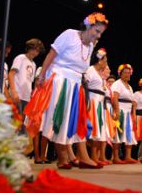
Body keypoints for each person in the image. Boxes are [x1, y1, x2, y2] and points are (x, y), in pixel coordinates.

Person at [32, 12, 109, 169]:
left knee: (76, 119)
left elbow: (83, 67)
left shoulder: (91, 46)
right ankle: (63, 158)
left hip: (76, 83)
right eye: (97, 31)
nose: (98, 36)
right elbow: (51, 54)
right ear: (88, 26)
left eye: (101, 33)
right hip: (60, 79)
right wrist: (41, 75)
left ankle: (77, 158)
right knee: (60, 118)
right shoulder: (69, 34)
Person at [8, 38, 45, 132]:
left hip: (26, 98)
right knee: (13, 124)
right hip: (17, 95)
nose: (35, 52)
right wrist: (13, 91)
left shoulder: (34, 64)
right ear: (29, 48)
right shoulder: (21, 58)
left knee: (21, 126)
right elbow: (11, 74)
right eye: (33, 49)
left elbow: (30, 82)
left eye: (37, 51)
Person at [85, 48, 109, 165]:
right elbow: (84, 85)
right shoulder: (90, 70)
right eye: (105, 61)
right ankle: (88, 156)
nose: (106, 63)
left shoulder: (99, 74)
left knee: (97, 130)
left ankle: (94, 156)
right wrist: (86, 103)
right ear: (99, 61)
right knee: (91, 129)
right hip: (92, 101)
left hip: (99, 102)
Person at [111, 64, 138, 164]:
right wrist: (117, 111)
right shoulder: (117, 84)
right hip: (120, 110)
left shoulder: (129, 87)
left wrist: (133, 114)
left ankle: (128, 156)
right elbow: (114, 98)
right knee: (118, 133)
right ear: (120, 74)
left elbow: (132, 102)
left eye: (129, 73)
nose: (127, 74)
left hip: (128, 112)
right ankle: (116, 157)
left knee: (129, 133)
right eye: (125, 73)